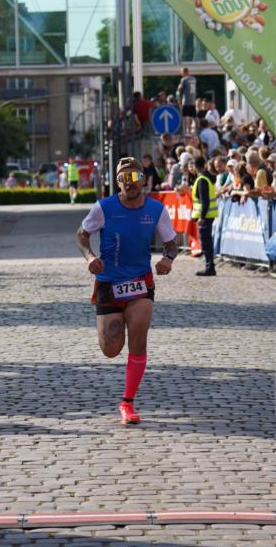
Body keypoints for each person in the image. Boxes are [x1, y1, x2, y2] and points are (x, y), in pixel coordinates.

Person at [76, 156, 177, 426]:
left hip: (140, 283)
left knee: (138, 340)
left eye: (135, 177)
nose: (130, 183)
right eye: (124, 178)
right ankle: (113, 330)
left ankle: (127, 402)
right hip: (109, 283)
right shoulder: (104, 207)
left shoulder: (156, 210)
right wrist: (90, 257)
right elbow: (82, 234)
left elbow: (171, 243)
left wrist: (168, 259)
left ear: (144, 180)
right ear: (117, 182)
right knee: (111, 348)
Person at [190, 155, 218, 277]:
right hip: (208, 215)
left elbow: (204, 201)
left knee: (206, 242)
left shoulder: (202, 180)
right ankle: (210, 266)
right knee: (207, 242)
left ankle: (209, 267)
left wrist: (202, 217)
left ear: (195, 166)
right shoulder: (207, 178)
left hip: (205, 217)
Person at [176, 66, 197, 135]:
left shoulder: (184, 79)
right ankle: (195, 131)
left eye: (181, 72)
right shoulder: (193, 79)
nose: (181, 74)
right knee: (193, 117)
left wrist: (178, 99)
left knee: (185, 117)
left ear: (184, 72)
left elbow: (180, 90)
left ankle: (186, 132)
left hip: (186, 101)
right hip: (193, 101)